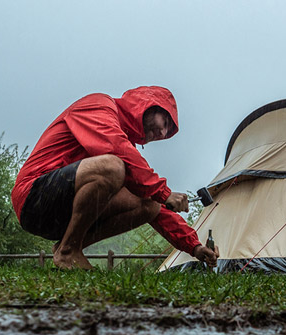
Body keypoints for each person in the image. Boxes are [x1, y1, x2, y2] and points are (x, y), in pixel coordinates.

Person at [12, 86, 219, 270]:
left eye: (166, 133)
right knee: (113, 167)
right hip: (34, 198)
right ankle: (69, 251)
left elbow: (155, 201)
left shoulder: (127, 151)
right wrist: (164, 192)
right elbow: (115, 147)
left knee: (149, 204)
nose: (162, 132)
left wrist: (195, 246)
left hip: (63, 214)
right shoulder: (99, 105)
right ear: (148, 105)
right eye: (164, 122)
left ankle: (68, 248)